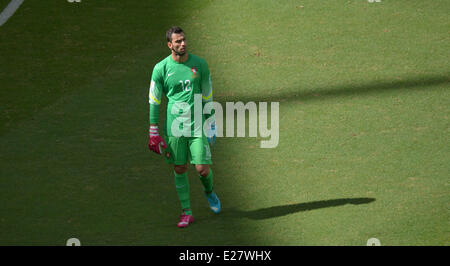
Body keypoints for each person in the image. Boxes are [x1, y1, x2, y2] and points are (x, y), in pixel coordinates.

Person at [148, 26, 220, 228]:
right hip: (174, 128)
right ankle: (186, 212)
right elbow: (154, 99)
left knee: (202, 169)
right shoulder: (160, 68)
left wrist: (211, 120)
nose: (183, 44)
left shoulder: (200, 64)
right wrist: (153, 130)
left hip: (197, 126)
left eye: (184, 40)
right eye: (178, 41)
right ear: (169, 45)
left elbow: (207, 94)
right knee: (180, 168)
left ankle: (209, 192)